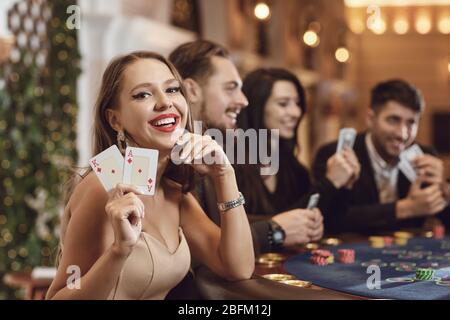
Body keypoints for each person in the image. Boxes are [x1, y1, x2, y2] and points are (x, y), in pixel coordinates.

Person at [45, 51, 254, 300]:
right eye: (143, 94)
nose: (165, 102)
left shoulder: (172, 192)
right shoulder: (103, 185)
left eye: (173, 90)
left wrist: (224, 175)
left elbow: (237, 268)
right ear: (115, 120)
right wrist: (119, 251)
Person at [235, 68, 361, 254]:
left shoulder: (294, 168)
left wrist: (343, 185)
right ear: (256, 106)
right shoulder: (229, 163)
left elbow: (320, 221)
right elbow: (240, 227)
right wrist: (329, 183)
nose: (295, 112)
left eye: (297, 103)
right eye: (283, 104)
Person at [313, 79, 450, 234]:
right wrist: (407, 208)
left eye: (411, 123)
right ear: (370, 119)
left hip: (409, 255)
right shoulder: (334, 155)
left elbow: (445, 222)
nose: (402, 134)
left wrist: (444, 190)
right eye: (393, 120)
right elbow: (329, 219)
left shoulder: (426, 157)